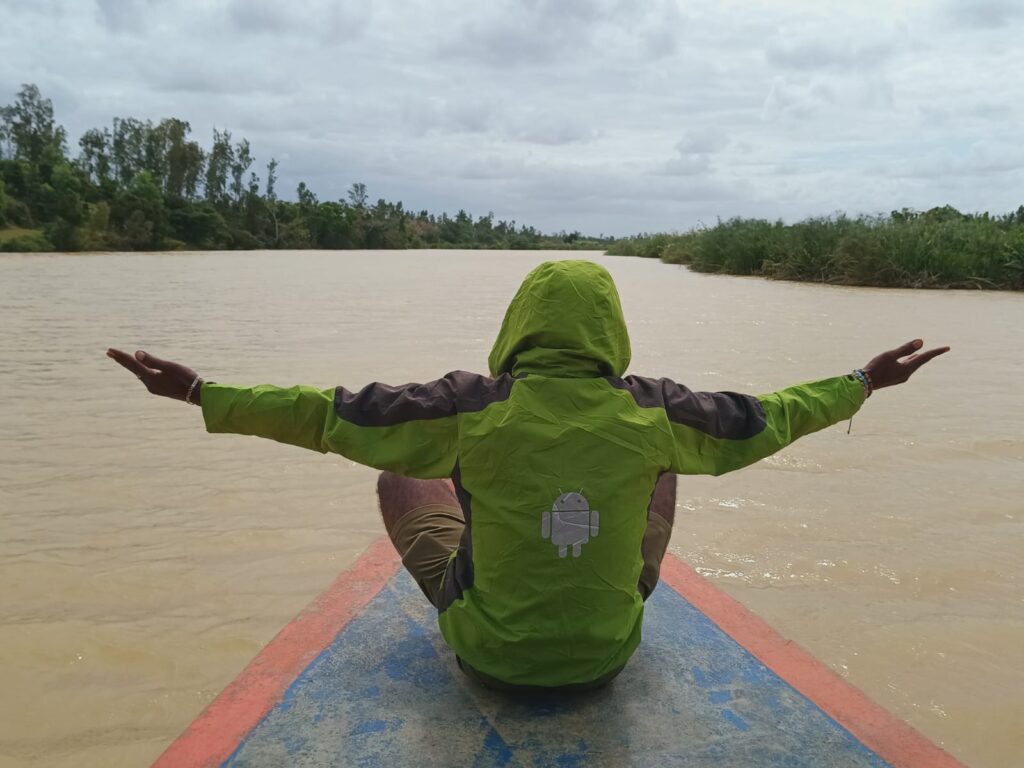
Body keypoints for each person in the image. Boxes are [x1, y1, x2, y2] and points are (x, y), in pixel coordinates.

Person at [108, 259, 949, 692]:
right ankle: (596, 590)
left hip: (490, 658)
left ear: (518, 327)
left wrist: (198, 392)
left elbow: (328, 414)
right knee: (667, 467)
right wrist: (865, 380)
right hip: (608, 656)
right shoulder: (654, 410)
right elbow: (775, 415)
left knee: (400, 478)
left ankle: (486, 578)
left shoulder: (470, 404)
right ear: (611, 330)